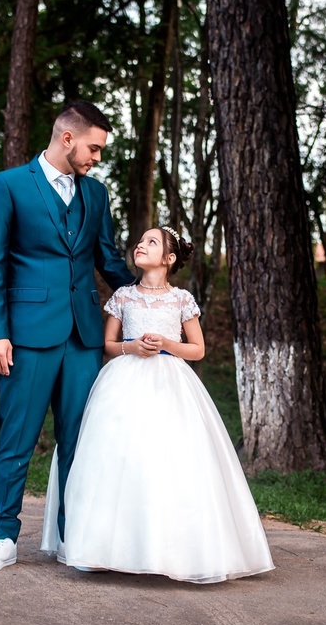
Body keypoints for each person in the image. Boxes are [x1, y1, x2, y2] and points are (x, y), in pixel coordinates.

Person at [40, 227, 275, 583]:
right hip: (122, 381)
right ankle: (102, 548)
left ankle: (170, 549)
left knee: (168, 458)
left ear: (168, 258)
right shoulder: (123, 296)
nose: (140, 245)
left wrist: (166, 343)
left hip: (171, 383)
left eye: (152, 242)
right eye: (140, 240)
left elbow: (197, 349)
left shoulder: (181, 300)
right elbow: (107, 343)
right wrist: (131, 347)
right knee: (118, 458)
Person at [0, 101, 133, 573]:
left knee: (81, 441)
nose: (96, 158)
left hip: (83, 337)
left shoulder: (96, 195)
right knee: (16, 438)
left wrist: (150, 296)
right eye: (94, 148)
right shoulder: (9, 185)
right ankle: (1, 536)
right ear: (67, 138)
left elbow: (108, 259)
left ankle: (72, 538)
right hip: (25, 337)